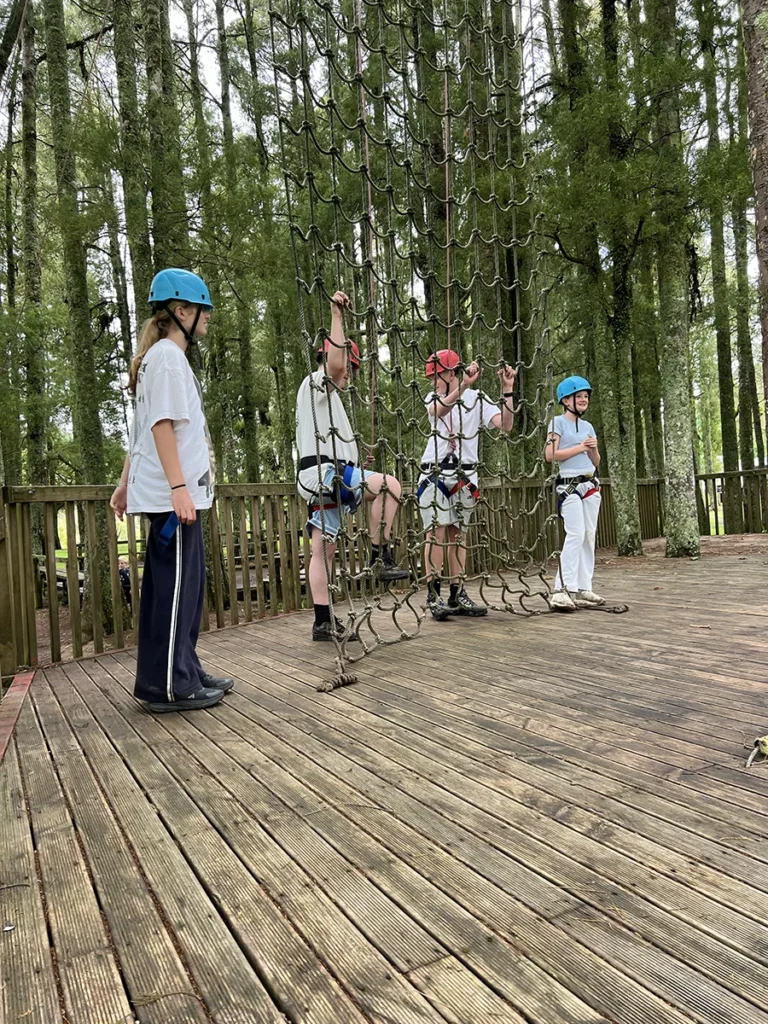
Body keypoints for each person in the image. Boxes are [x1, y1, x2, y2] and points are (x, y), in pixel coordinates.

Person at [110, 268, 233, 712]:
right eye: (203, 309)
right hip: (173, 498)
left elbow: (140, 431)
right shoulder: (165, 357)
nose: (208, 317)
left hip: (179, 496)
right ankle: (167, 686)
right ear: (181, 311)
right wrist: (179, 487)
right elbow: (160, 426)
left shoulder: (164, 358)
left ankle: (185, 669)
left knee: (186, 588)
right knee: (174, 589)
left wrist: (124, 484)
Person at [296, 290, 409, 642]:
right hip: (325, 475)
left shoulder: (326, 400)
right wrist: (337, 316)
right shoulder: (317, 383)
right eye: (350, 369)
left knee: (323, 550)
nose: (350, 376)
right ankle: (380, 554)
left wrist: (357, 463)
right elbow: (334, 367)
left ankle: (322, 620)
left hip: (322, 477)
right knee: (390, 486)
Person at [418, 350, 516, 620]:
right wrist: (463, 386)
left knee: (459, 535)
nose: (433, 381)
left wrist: (507, 389)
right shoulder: (434, 397)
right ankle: (433, 595)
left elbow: (505, 425)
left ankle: (457, 592)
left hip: (465, 476)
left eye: (436, 376)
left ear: (450, 372)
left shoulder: (478, 400)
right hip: (435, 473)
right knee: (436, 532)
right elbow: (439, 410)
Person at [545, 375, 604, 610]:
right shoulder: (557, 423)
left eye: (585, 396)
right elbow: (550, 455)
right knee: (576, 533)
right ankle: (561, 589)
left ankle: (583, 587)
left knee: (589, 535)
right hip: (568, 485)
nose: (583, 400)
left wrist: (593, 449)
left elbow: (596, 461)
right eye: (578, 396)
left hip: (589, 484)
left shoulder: (588, 427)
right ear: (566, 400)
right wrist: (580, 447)